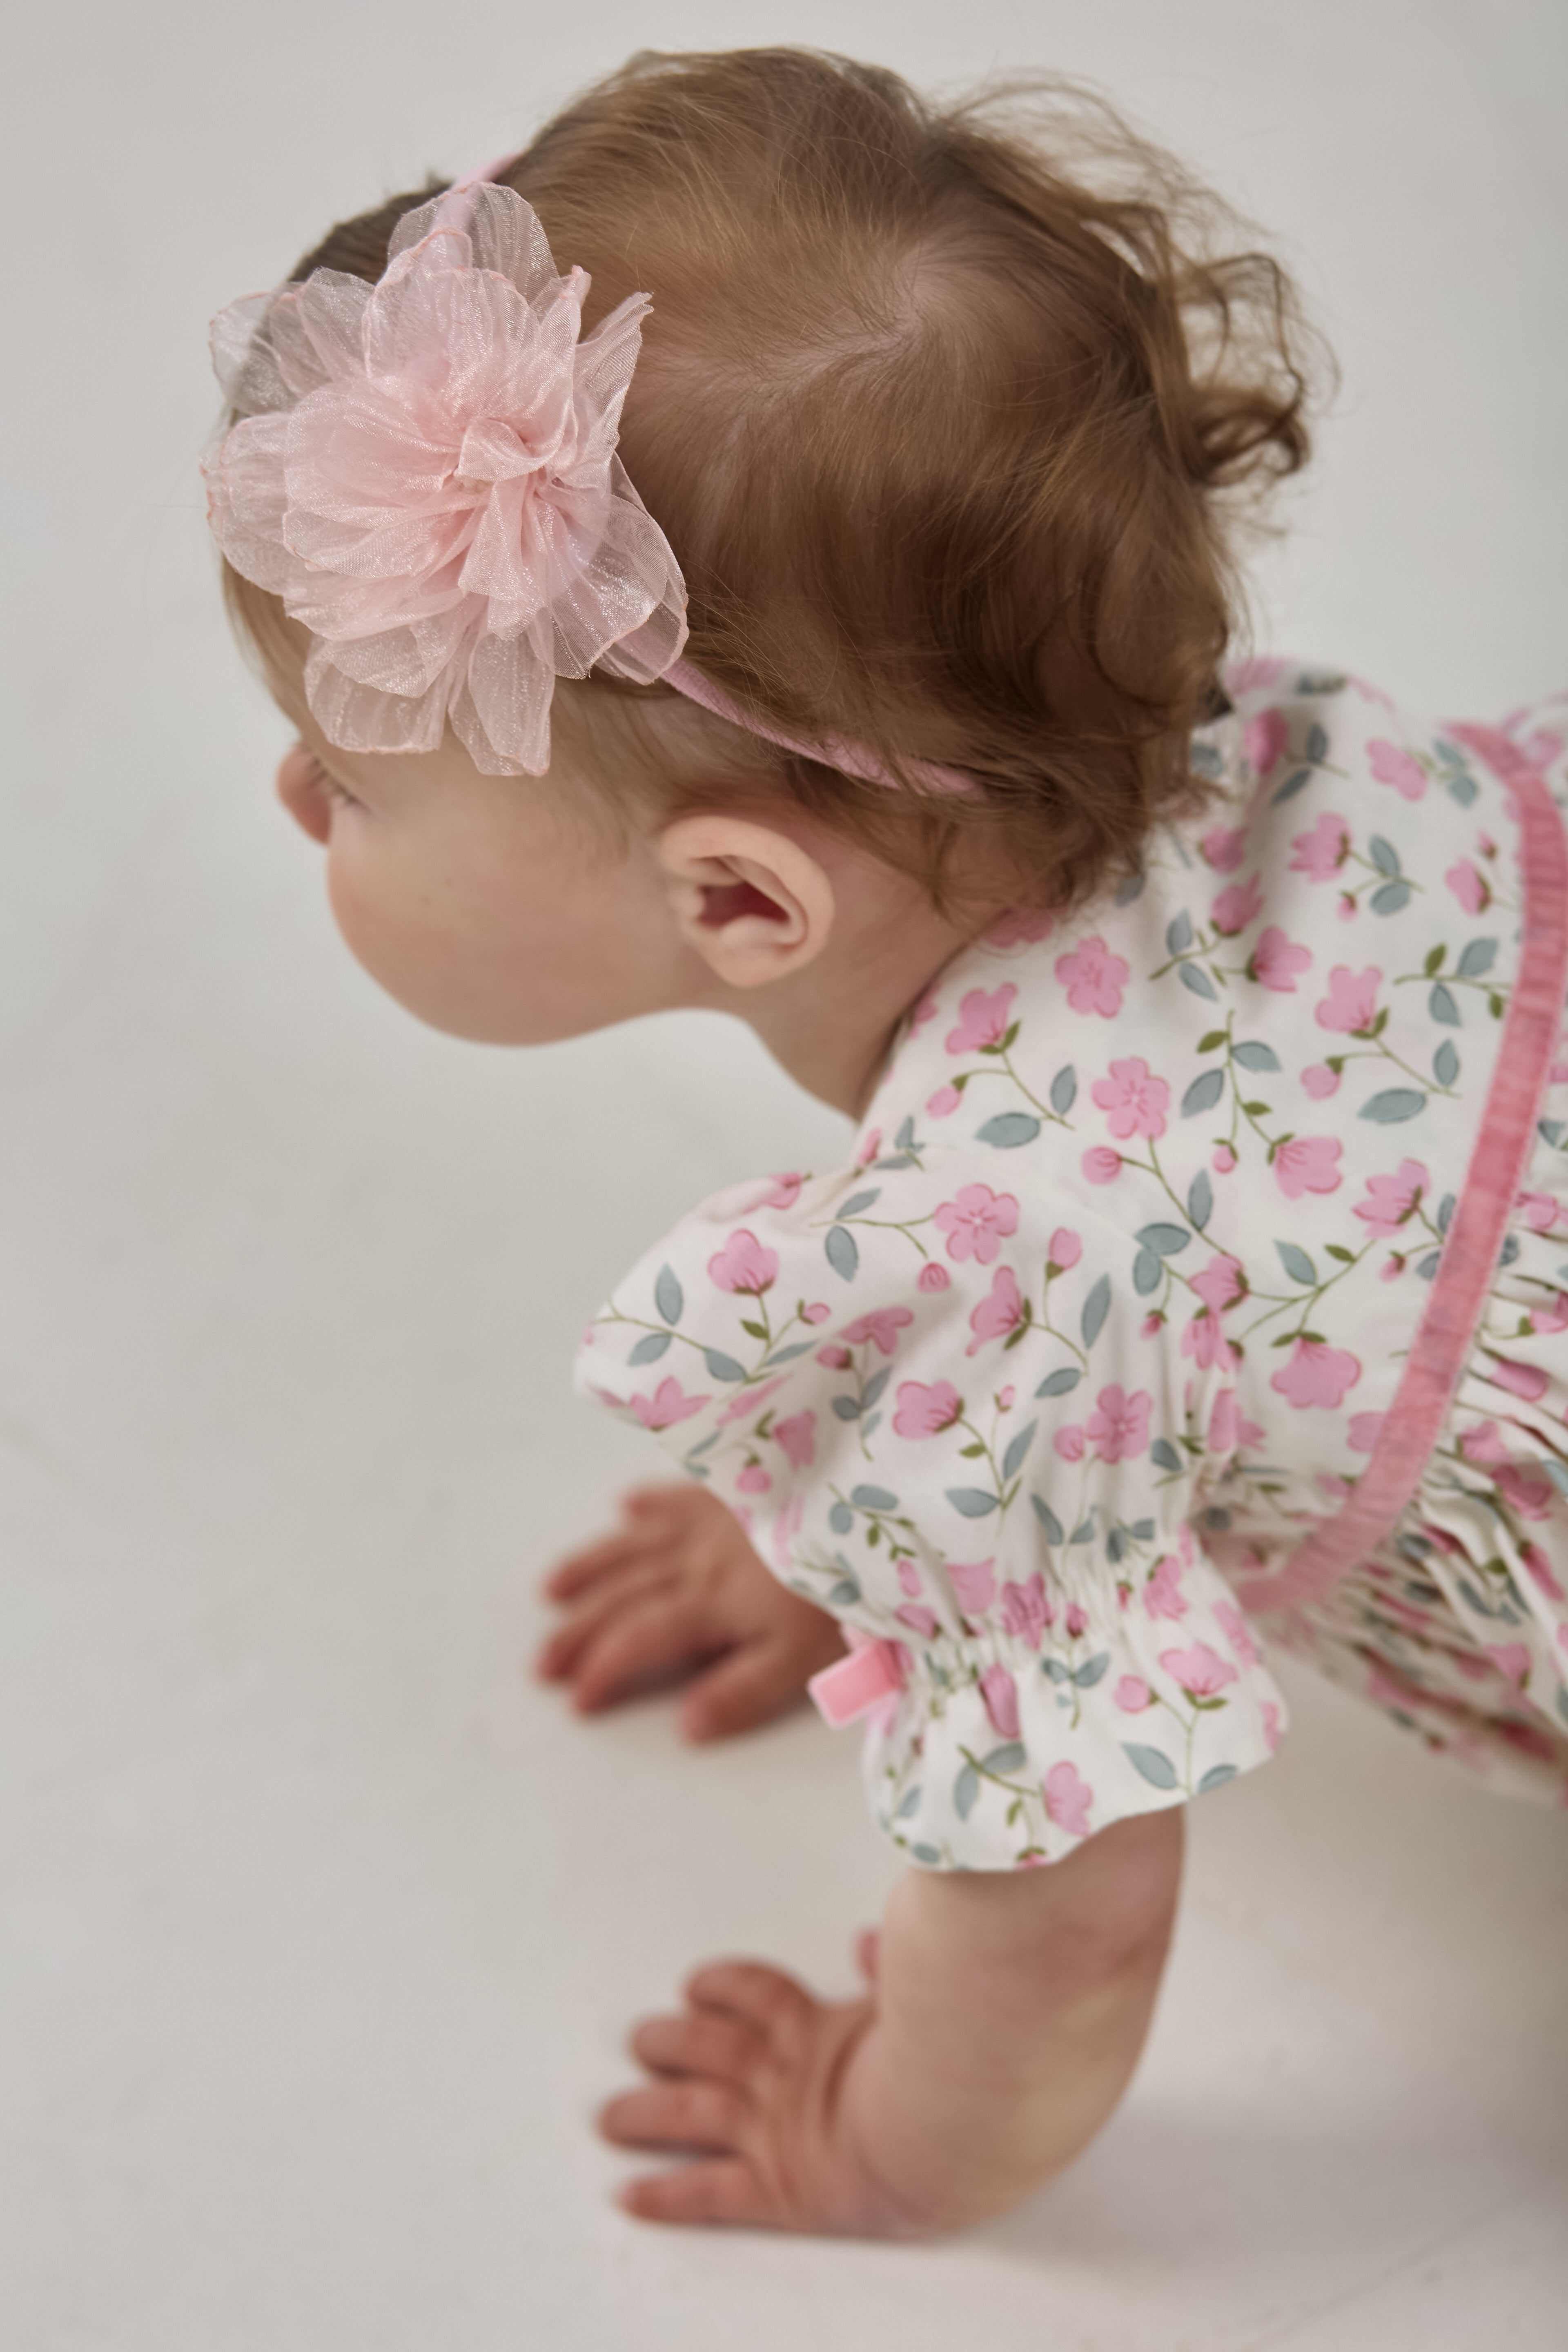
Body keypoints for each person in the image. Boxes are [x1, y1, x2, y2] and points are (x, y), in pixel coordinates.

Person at [204, 46, 1568, 2238]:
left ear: (746, 902)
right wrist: (843, 1508)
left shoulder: (987, 1269)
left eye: (348, 774)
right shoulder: (1220, 759)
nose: (293, 805)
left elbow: (1069, 1900)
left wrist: (881, 2139)